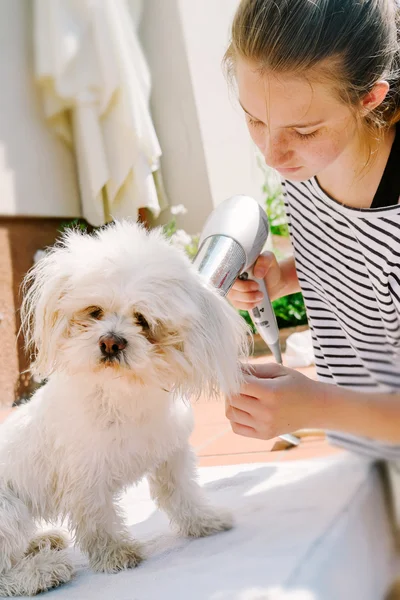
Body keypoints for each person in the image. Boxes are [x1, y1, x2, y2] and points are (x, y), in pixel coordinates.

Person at [223, 0, 400, 456]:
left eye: (303, 130)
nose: (273, 154)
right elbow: (362, 252)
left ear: (368, 99)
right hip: (367, 454)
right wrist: (286, 276)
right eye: (255, 120)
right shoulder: (307, 166)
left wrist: (316, 406)